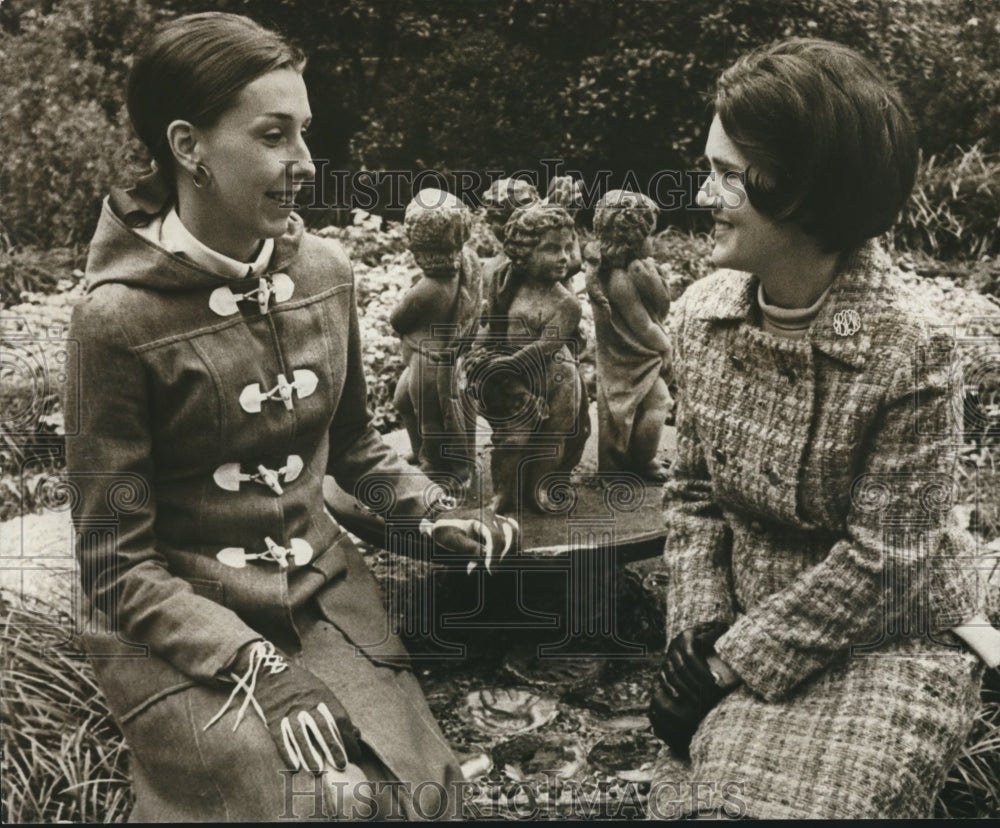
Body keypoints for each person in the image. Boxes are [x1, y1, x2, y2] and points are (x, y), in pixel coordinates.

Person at [64, 12, 514, 821]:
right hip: (176, 628)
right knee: (313, 804)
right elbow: (114, 562)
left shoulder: (324, 273)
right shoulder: (115, 321)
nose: (304, 161)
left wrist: (432, 513)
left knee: (419, 797)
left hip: (320, 597)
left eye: (304, 133)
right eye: (274, 136)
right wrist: (256, 666)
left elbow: (354, 445)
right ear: (188, 146)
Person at [649, 37, 998, 819]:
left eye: (726, 174)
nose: (702, 193)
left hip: (886, 640)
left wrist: (731, 664)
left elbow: (889, 560)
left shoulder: (912, 353)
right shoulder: (700, 320)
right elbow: (695, 496)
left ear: (798, 190)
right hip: (743, 623)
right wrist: (698, 635)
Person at [465, 204, 589, 514]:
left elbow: (546, 345)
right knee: (512, 439)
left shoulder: (566, 303)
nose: (564, 256)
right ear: (523, 252)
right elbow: (493, 325)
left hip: (556, 380)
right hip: (515, 379)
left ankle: (540, 489)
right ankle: (504, 493)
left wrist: (506, 365)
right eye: (551, 248)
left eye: (568, 247)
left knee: (552, 438)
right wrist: (477, 354)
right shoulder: (505, 282)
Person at [390, 188, 483, 485]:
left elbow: (397, 319)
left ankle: (435, 465)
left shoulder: (428, 288)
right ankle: (421, 452)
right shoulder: (466, 264)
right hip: (434, 358)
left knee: (431, 418)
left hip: (429, 362)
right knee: (404, 402)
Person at [588, 189, 671, 480]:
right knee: (659, 402)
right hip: (632, 360)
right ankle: (642, 461)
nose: (653, 242)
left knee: (647, 405)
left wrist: (651, 278)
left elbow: (658, 310)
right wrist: (667, 347)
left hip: (637, 356)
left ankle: (636, 457)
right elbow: (644, 327)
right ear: (631, 239)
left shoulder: (629, 271)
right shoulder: (619, 280)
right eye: (649, 235)